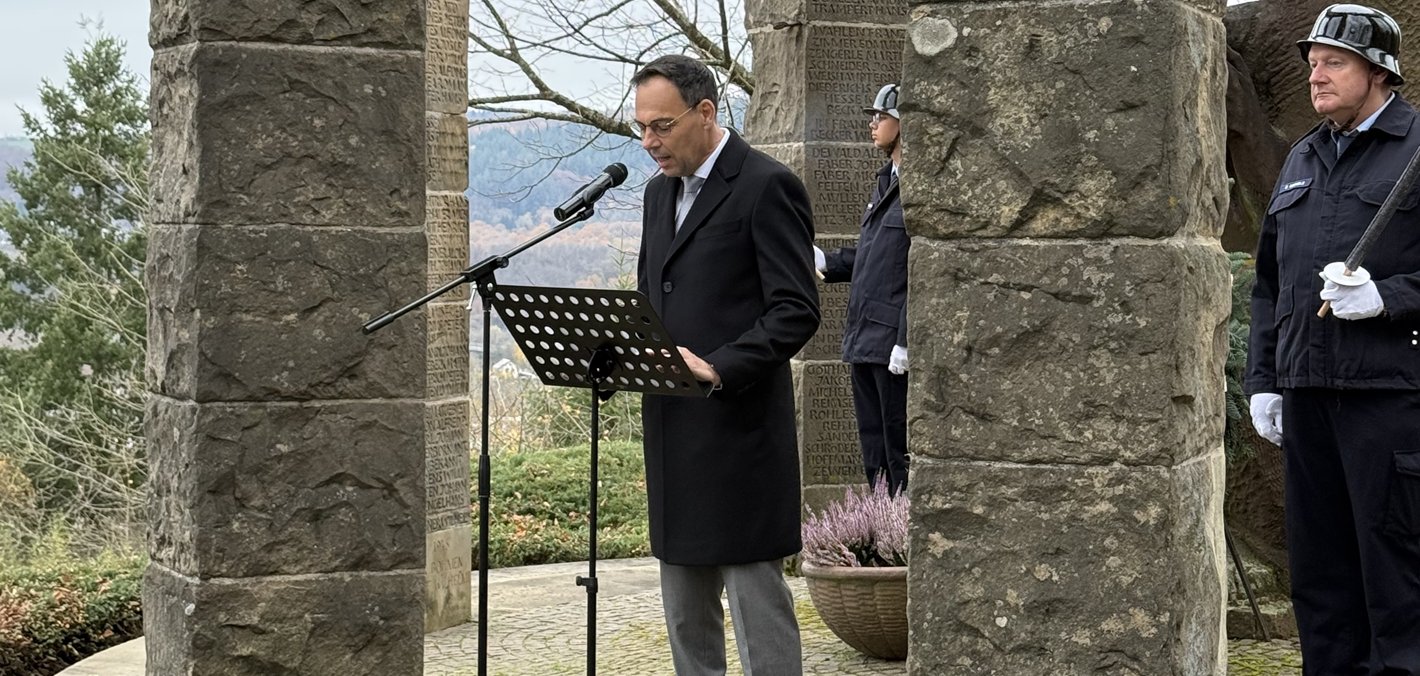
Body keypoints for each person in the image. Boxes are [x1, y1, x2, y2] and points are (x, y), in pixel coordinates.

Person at [631, 54, 820, 675]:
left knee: (756, 613)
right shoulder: (658, 195)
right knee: (685, 619)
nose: (649, 141)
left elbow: (796, 309)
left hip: (740, 436)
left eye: (660, 126)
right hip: (672, 430)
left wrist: (719, 366)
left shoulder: (767, 184)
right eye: (641, 127)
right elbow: (653, 303)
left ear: (705, 112)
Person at [1245, 4, 1420, 673]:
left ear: (1378, 73)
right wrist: (1264, 381)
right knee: (1321, 584)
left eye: (1333, 63)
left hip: (1388, 403)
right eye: (1312, 63)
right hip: (1307, 401)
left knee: (1395, 582)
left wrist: (1388, 297)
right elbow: (1270, 286)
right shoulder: (1303, 157)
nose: (1316, 76)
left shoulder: (1415, 151)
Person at [813, 83, 910, 496]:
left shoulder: (917, 189)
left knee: (898, 451)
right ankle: (886, 540)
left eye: (881, 117)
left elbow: (919, 275)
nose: (873, 124)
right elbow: (875, 258)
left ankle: (903, 542)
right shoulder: (886, 181)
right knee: (875, 454)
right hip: (864, 338)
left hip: (891, 344)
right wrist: (822, 261)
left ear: (904, 125)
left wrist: (905, 342)